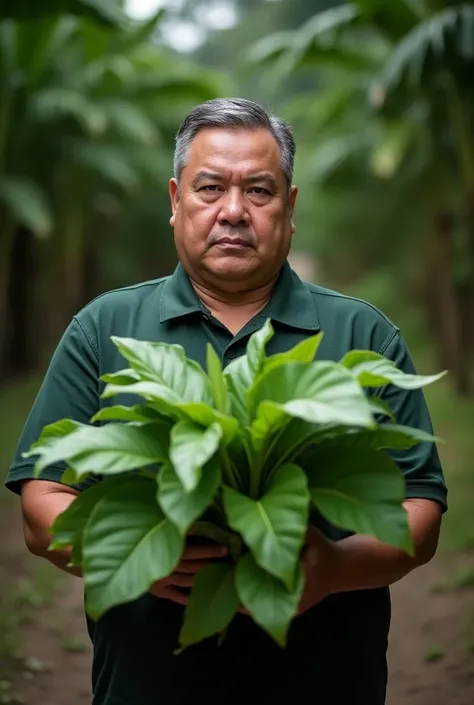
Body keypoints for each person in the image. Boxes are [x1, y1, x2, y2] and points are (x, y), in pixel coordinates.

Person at [5, 98, 447, 705]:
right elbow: (41, 505)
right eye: (210, 187)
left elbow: (419, 507)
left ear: (289, 209)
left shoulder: (363, 335)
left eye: (259, 191)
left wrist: (336, 569)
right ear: (175, 201)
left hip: (326, 681)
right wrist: (143, 557)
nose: (232, 212)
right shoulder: (102, 328)